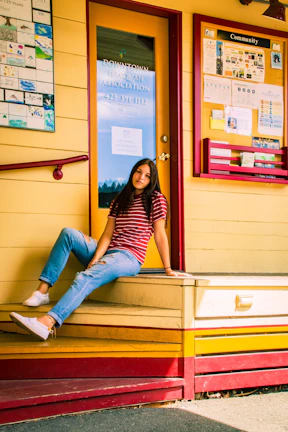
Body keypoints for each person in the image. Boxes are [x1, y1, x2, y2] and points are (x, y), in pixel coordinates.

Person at [10, 158, 181, 341]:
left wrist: (168, 268)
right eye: (138, 172)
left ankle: (47, 322)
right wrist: (96, 258)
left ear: (152, 180)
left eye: (147, 175)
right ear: (133, 172)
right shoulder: (119, 200)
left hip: (129, 257)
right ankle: (42, 291)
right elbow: (107, 234)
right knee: (68, 234)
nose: (141, 177)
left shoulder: (156, 200)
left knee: (84, 276)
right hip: (109, 251)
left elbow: (160, 234)